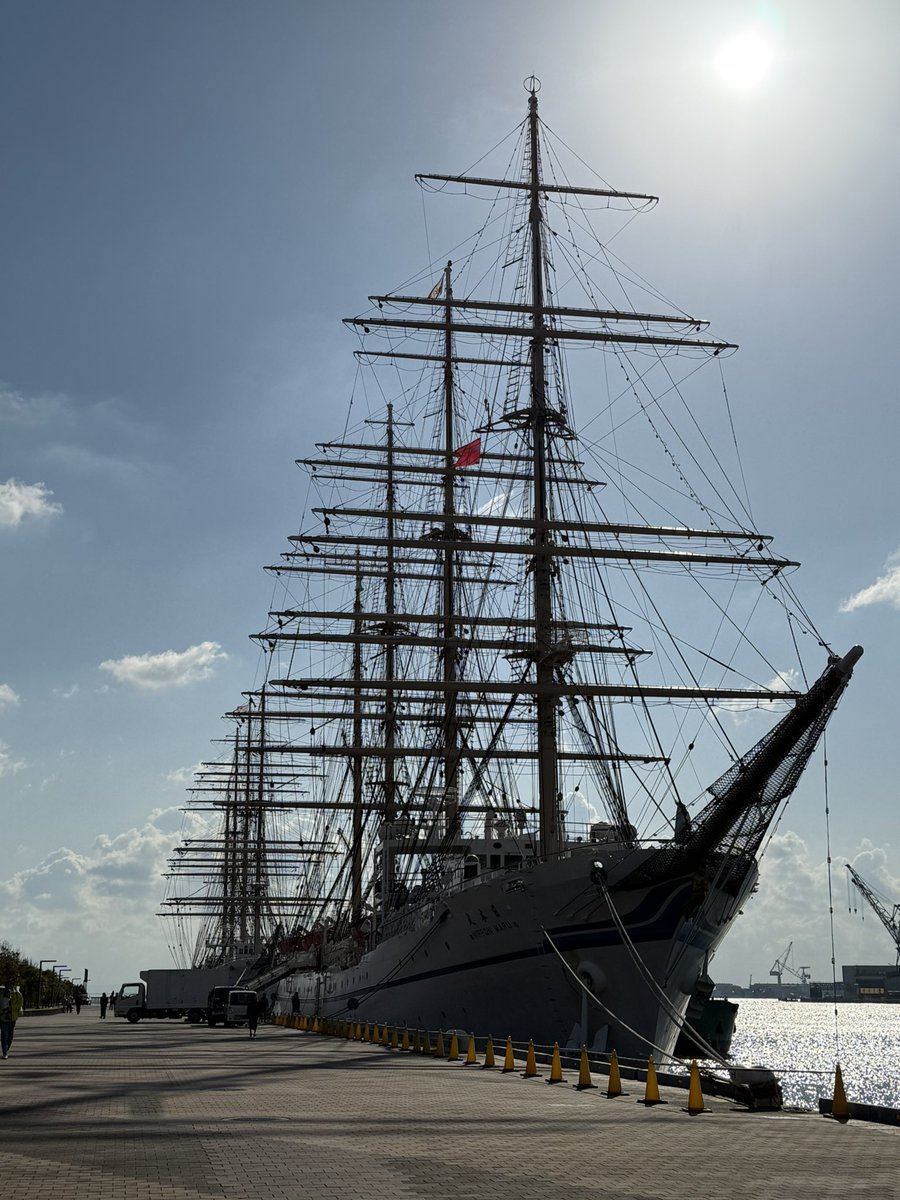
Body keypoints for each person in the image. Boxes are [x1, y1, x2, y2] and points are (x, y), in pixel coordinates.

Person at [0, 985, 23, 1059]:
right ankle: (5, 1052)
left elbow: (20, 1003)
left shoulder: (17, 993)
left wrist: (11, 1008)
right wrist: (3, 1010)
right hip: (3, 1018)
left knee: (10, 1036)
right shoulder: (1, 992)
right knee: (4, 1035)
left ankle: (6, 1048)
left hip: (12, 1018)